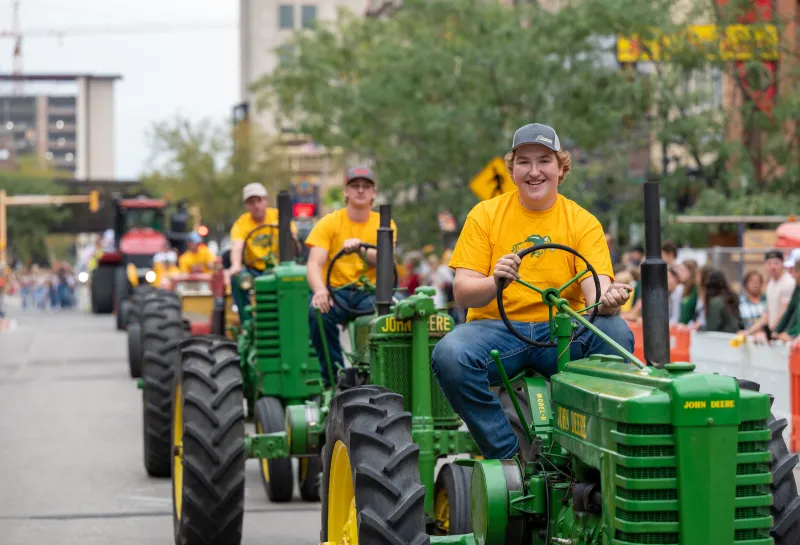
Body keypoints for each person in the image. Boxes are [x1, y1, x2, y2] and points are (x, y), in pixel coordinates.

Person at [430, 123, 634, 462]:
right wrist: (496, 281)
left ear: (561, 169)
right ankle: (509, 456)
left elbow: (596, 295)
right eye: (524, 162)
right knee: (450, 353)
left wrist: (610, 300)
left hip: (561, 335)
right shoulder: (485, 215)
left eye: (544, 161)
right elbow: (463, 292)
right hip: (497, 334)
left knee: (614, 333)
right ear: (512, 170)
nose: (534, 171)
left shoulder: (582, 222)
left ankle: (593, 453)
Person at [305, 166, 397, 387]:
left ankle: (387, 378)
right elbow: (314, 263)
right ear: (346, 191)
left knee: (398, 314)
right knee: (317, 311)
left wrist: (359, 250)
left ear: (374, 193)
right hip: (337, 292)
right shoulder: (330, 222)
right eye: (355, 186)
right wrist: (320, 290)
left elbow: (385, 259)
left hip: (371, 293)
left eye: (366, 186)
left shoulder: (384, 224)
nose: (361, 191)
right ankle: (335, 378)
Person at [226, 182, 299, 323]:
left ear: (266, 201)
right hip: (255, 271)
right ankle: (247, 322)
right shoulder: (242, 224)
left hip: (279, 268)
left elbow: (293, 238)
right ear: (246, 205)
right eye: (251, 202)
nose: (256, 205)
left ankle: (295, 319)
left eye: (259, 200)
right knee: (237, 279)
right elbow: (237, 245)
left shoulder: (278, 216)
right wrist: (235, 265)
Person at [740, 250, 796, 341]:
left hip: (784, 334)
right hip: (774, 334)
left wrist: (771, 333)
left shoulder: (788, 283)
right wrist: (748, 332)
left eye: (776, 263)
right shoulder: (771, 284)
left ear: (782, 264)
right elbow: (767, 315)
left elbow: (784, 312)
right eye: (769, 263)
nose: (772, 267)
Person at [699, 269, 742, 333]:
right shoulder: (731, 297)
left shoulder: (716, 302)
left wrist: (699, 329)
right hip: (734, 336)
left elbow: (712, 326)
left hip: (723, 338)